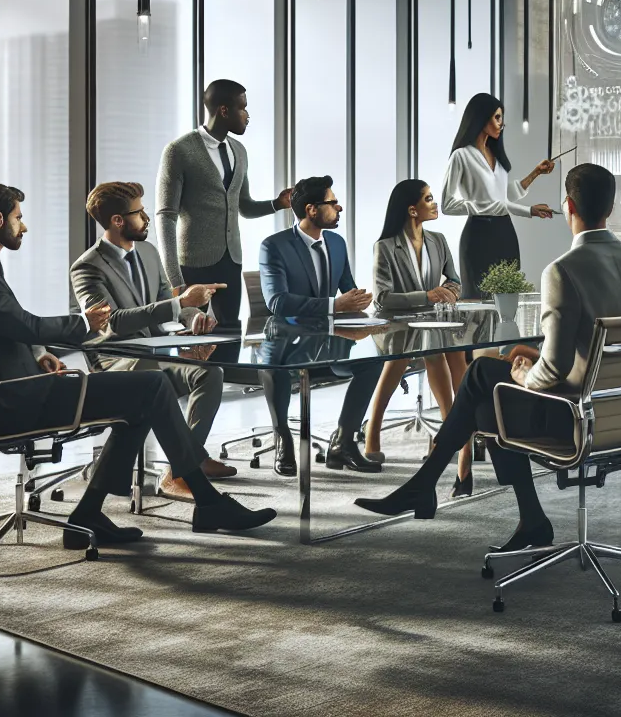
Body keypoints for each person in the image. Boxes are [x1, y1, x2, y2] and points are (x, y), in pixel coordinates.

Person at [0, 182, 275, 540]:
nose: (24, 226)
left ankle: (89, 515)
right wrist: (85, 323)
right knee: (150, 387)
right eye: (19, 218)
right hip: (15, 400)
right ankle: (206, 500)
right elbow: (26, 324)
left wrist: (40, 354)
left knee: (144, 398)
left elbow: (10, 326)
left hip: (10, 389)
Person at [354, 164, 621, 553]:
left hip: (575, 417)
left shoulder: (563, 271)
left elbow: (557, 369)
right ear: (610, 208)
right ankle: (521, 517)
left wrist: (524, 377)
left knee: (485, 379)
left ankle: (426, 486)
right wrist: (531, 356)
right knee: (485, 402)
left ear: (568, 206)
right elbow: (596, 351)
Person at [70, 181, 240, 501]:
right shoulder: (87, 268)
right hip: (116, 362)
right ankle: (187, 466)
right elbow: (113, 322)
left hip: (156, 353)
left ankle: (186, 463)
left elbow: (165, 302)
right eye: (139, 212)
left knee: (209, 372)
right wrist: (180, 303)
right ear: (118, 221)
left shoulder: (148, 252)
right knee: (152, 372)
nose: (146, 218)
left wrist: (193, 319)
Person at [256, 174, 384, 476]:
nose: (338, 208)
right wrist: (334, 306)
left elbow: (348, 289)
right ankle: (282, 436)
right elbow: (277, 302)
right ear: (312, 209)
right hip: (287, 343)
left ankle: (343, 440)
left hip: (328, 342)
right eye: (332, 203)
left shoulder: (337, 243)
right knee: (273, 363)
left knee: (372, 362)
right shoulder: (274, 246)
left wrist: (366, 307)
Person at [155, 79, 294, 328]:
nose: (247, 115)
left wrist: (277, 203)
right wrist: (175, 280)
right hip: (193, 266)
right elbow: (166, 216)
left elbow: (244, 206)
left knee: (230, 333)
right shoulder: (179, 151)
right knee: (193, 339)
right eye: (243, 108)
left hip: (231, 262)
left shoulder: (239, 151)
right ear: (224, 110)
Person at [366, 179, 472, 495]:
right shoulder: (385, 247)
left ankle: (454, 438)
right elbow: (382, 298)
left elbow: (455, 280)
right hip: (398, 325)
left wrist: (450, 292)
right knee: (412, 354)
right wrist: (427, 295)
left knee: (450, 352)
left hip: (435, 323)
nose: (434, 203)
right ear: (412, 210)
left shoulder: (438, 241)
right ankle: (373, 429)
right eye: (428, 199)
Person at [440, 92, 556, 298]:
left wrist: (536, 173)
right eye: (497, 117)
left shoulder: (497, 156)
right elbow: (447, 205)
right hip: (478, 236)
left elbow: (502, 197)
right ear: (481, 117)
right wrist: (482, 206)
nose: (502, 123)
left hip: (505, 234)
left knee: (508, 301)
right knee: (479, 303)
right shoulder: (461, 156)